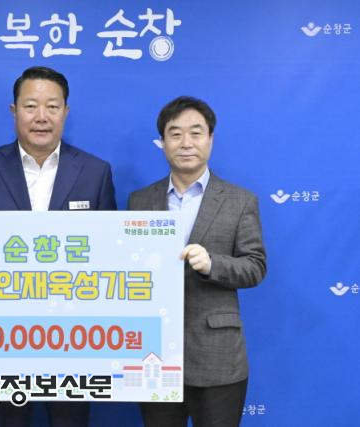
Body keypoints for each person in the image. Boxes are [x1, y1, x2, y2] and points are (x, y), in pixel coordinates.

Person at [0, 66, 117, 427]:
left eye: (53, 106)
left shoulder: (95, 172)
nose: (42, 117)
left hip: (74, 338)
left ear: (66, 111)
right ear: (14, 111)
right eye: (31, 106)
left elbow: (109, 256)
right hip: (1, 336)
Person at [128, 96, 266, 427]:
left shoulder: (239, 200)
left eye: (196, 132)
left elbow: (255, 266)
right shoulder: (140, 200)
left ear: (210, 139)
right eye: (175, 134)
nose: (186, 143)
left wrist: (212, 264)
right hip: (154, 354)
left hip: (217, 355)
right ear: (162, 142)